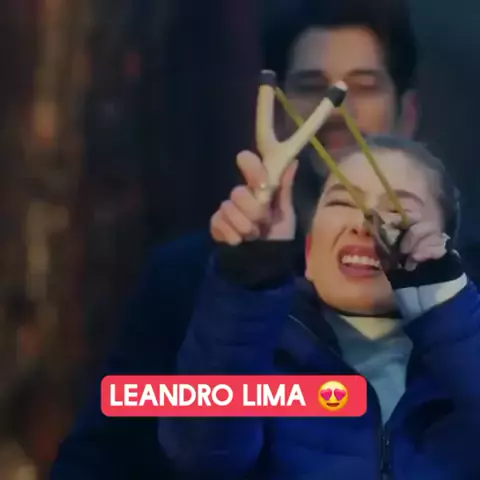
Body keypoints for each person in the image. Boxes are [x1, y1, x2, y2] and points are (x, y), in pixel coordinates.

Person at [51, 1, 419, 478]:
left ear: (407, 113)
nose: (335, 110)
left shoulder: (460, 287)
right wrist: (246, 281)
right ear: (276, 113)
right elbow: (101, 459)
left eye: (363, 87)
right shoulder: (189, 279)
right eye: (312, 86)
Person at [159, 136, 480, 479]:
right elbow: (198, 453)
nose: (364, 224)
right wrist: (248, 273)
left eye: (397, 209)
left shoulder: (461, 363)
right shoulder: (259, 355)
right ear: (310, 251)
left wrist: (448, 304)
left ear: (445, 248)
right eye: (342, 202)